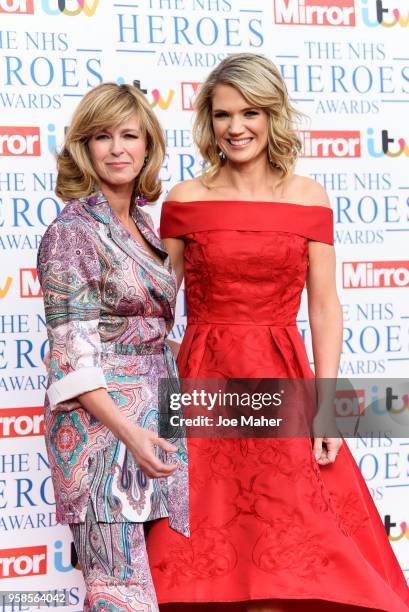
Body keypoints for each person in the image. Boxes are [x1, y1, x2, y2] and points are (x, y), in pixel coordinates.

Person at [146, 54, 409, 611]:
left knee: (289, 552)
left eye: (250, 112)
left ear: (272, 116)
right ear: (207, 121)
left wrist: (330, 406)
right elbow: (155, 309)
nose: (235, 127)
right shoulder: (186, 201)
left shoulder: (308, 196)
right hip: (204, 383)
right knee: (203, 554)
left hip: (281, 374)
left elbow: (325, 307)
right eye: (222, 115)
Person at [37, 82, 188, 612]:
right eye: (103, 136)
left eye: (130, 135)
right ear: (84, 147)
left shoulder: (145, 226)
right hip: (99, 431)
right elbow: (70, 358)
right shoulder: (72, 232)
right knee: (119, 595)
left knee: (159, 591)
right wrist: (129, 432)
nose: (118, 148)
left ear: (148, 146)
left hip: (156, 422)